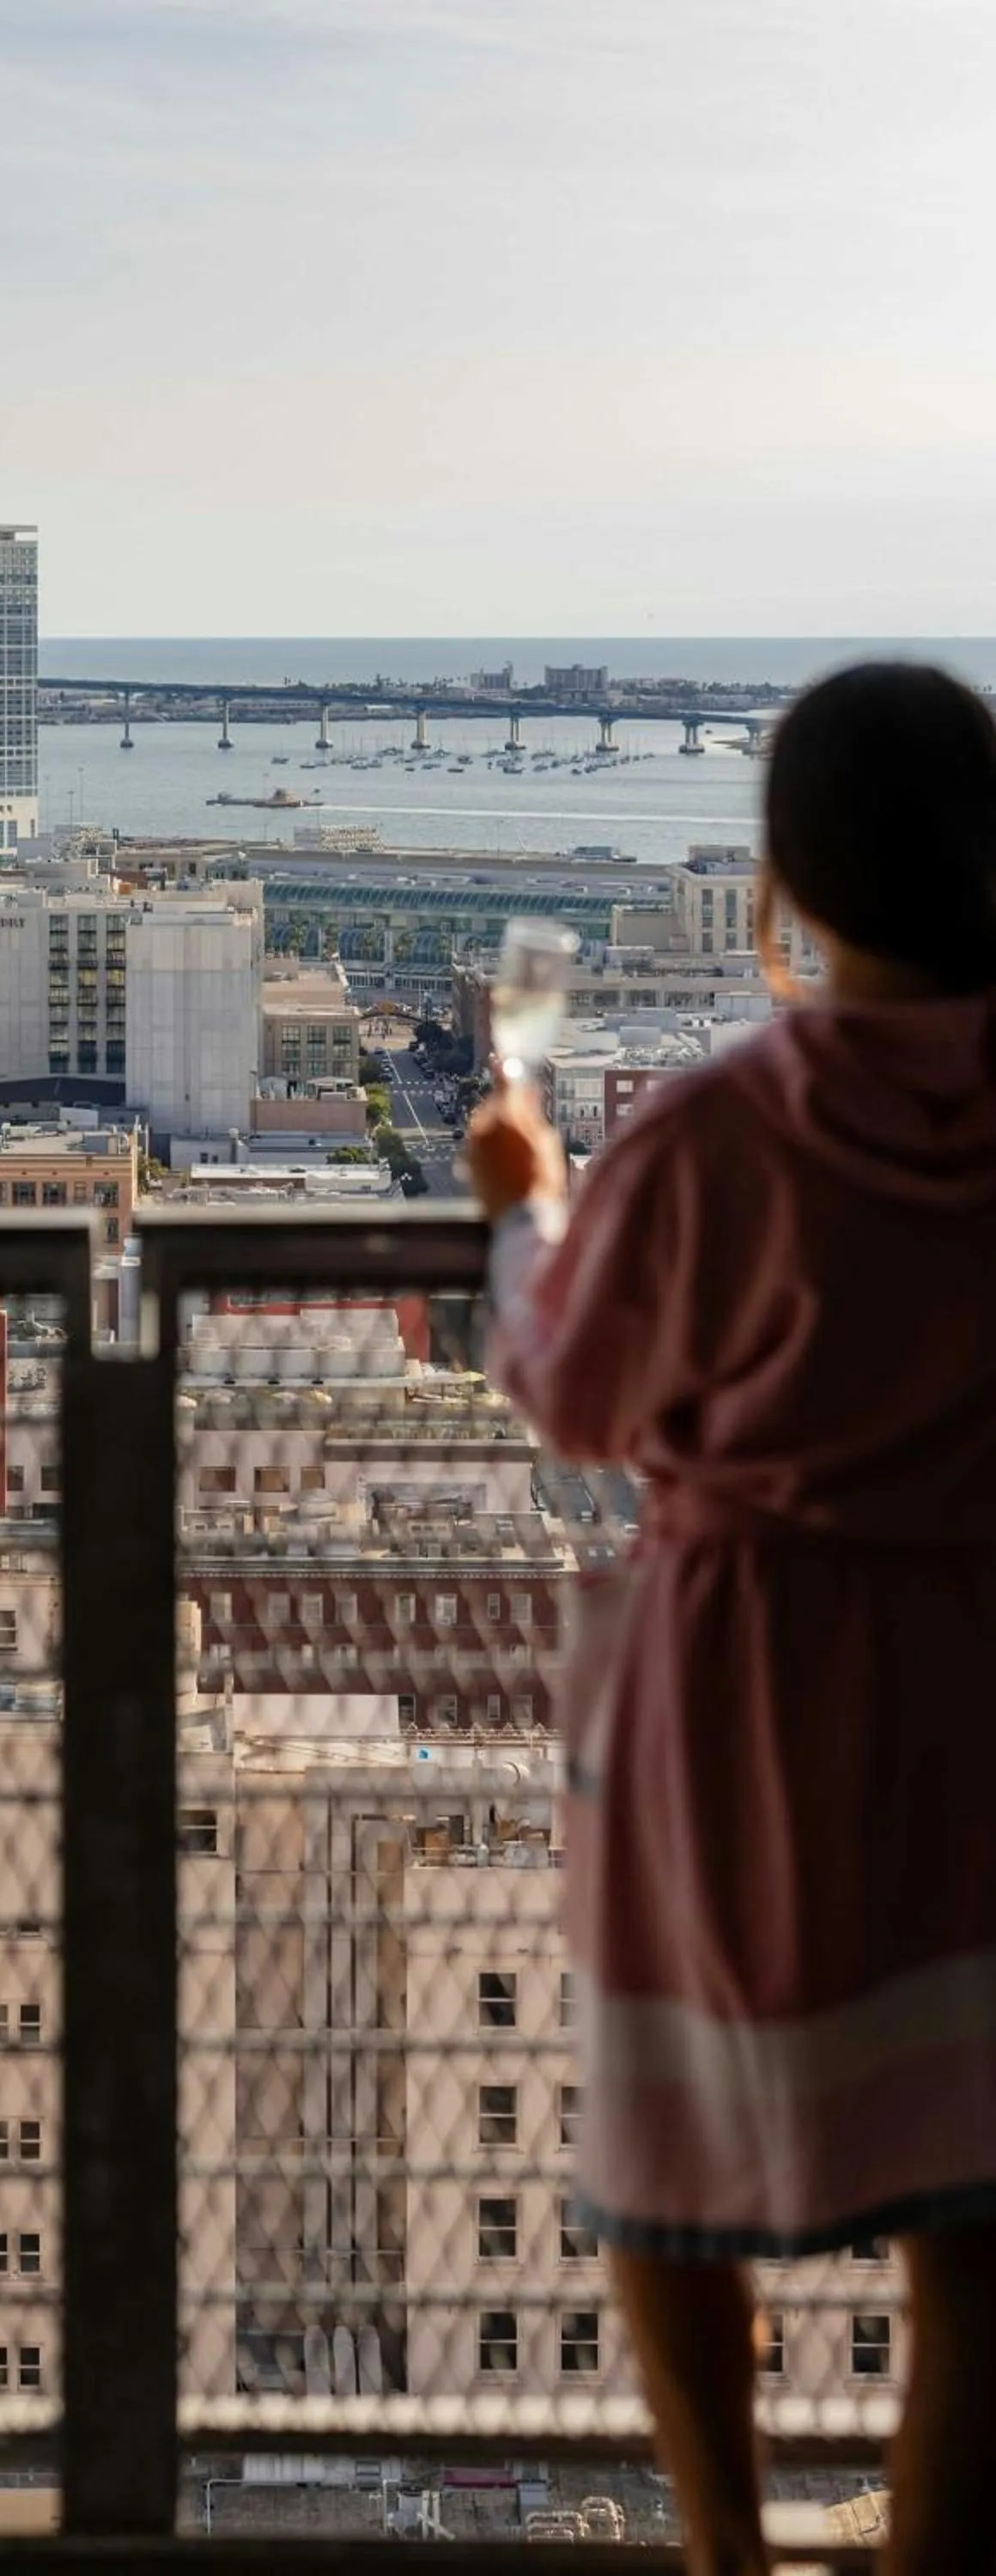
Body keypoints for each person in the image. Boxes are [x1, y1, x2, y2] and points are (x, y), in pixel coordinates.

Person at [464, 663, 996, 2576]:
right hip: (971, 1674)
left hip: (738, 1677)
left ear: (784, 877)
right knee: (976, 2207)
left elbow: (578, 1398)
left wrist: (525, 1213)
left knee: (668, 2160)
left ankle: (722, 2552)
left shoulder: (713, 1133)